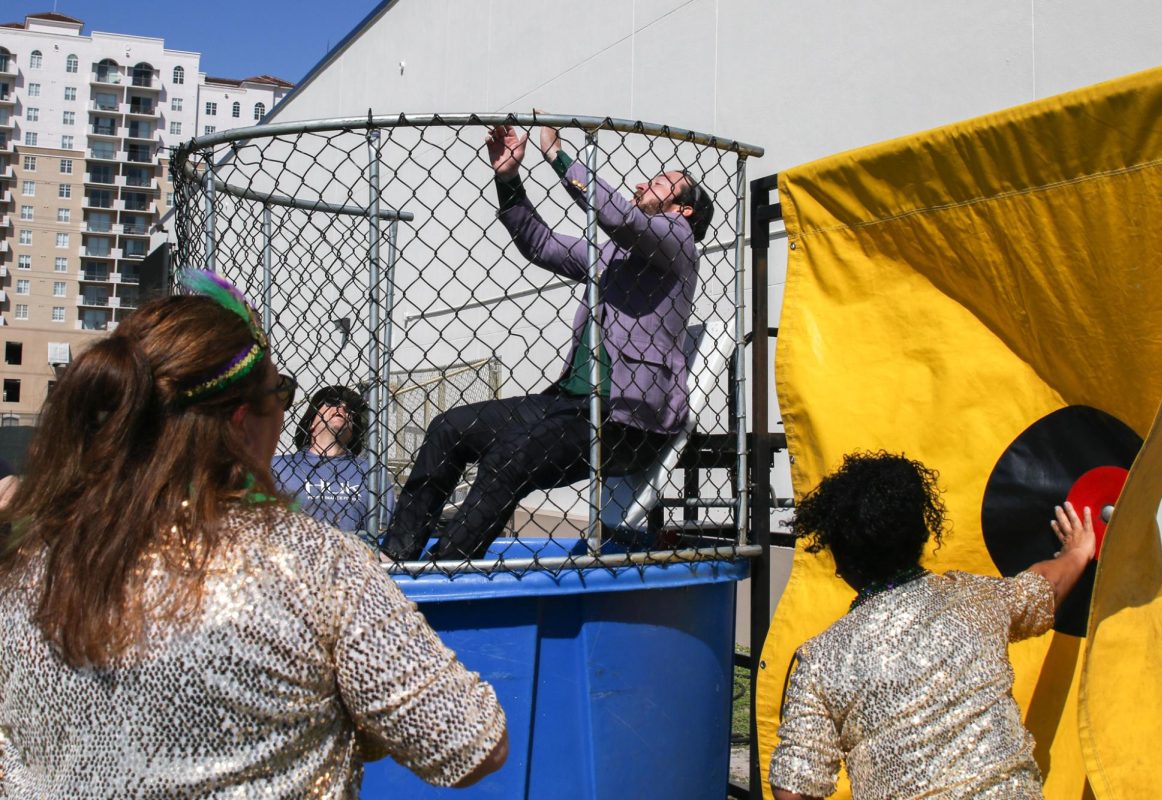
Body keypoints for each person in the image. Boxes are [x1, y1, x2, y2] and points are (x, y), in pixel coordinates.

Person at [0, 271, 507, 797]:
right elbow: (470, 743)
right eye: (282, 393)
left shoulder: (24, 559)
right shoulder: (316, 566)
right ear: (243, 422)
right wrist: (349, 716)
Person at [381, 121, 714, 561]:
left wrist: (558, 155)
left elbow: (620, 216)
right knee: (450, 428)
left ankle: (449, 567)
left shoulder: (680, 241)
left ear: (683, 208)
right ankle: (396, 555)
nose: (640, 182)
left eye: (656, 181)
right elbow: (539, 243)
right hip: (571, 405)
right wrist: (508, 178)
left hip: (627, 422)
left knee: (510, 456)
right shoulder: (612, 255)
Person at [769, 452, 1095, 800]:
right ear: (922, 534)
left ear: (840, 559)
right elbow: (1044, 586)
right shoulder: (976, 602)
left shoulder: (821, 661)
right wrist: (1078, 552)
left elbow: (793, 788)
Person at [272, 385, 395, 535]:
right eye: (332, 401)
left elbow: (383, 533)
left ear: (353, 430)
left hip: (352, 556)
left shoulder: (373, 473)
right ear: (311, 422)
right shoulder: (277, 467)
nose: (343, 407)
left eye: (350, 409)